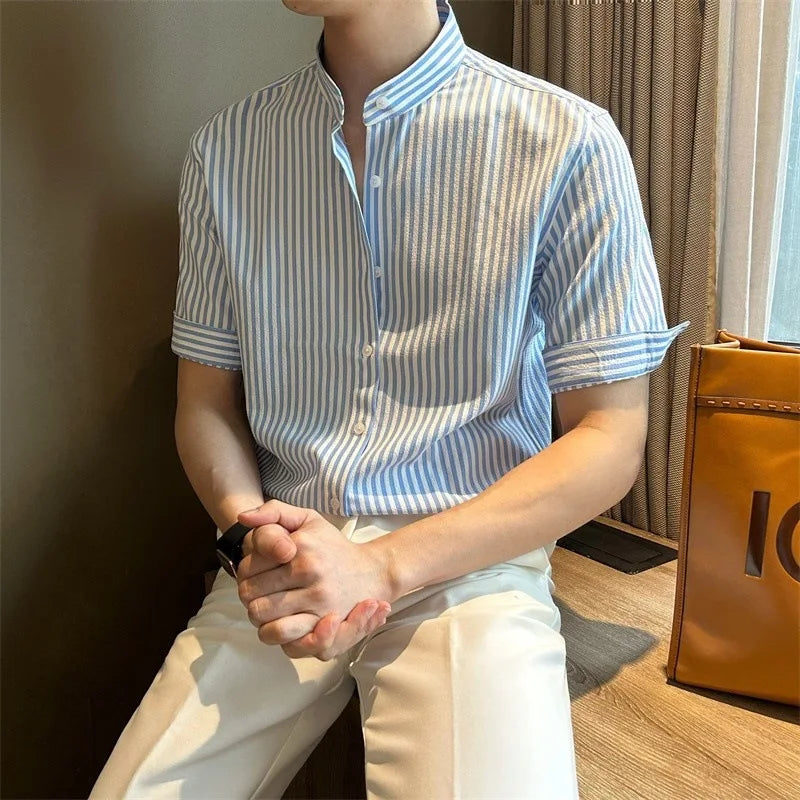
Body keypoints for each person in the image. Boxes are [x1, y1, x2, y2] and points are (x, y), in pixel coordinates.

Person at [89, 0, 689, 797]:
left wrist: (383, 566)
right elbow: (205, 403)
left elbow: (609, 438)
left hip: (470, 567)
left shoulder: (566, 140)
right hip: (284, 553)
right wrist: (249, 535)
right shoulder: (226, 150)